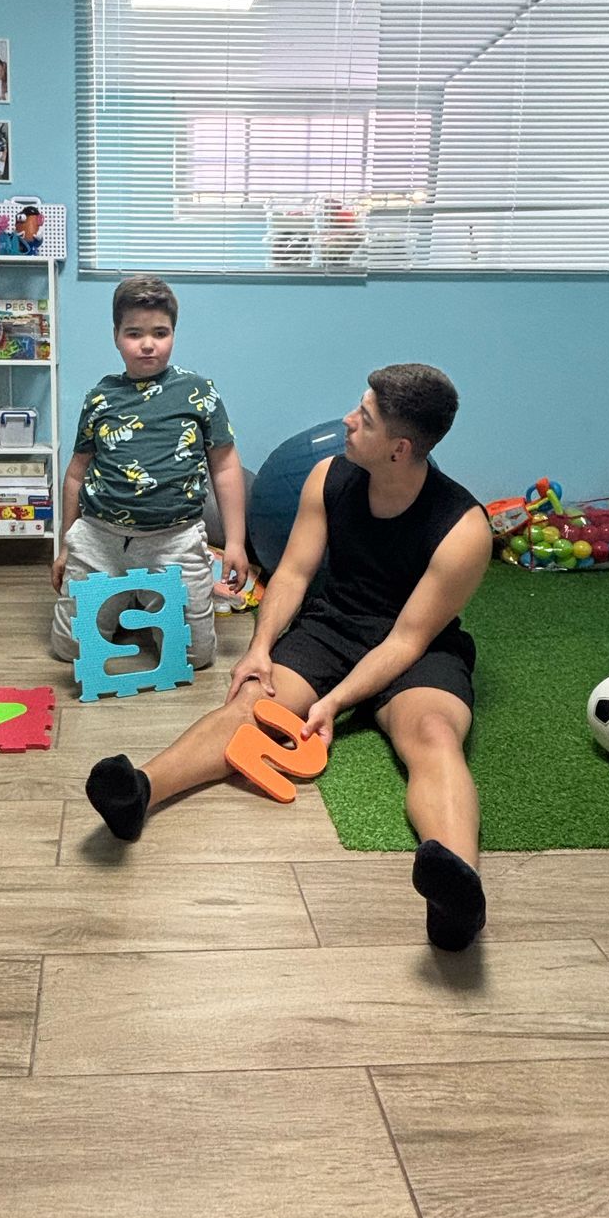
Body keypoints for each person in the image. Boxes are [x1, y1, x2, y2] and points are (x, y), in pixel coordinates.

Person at [83, 364, 493, 950]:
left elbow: (405, 640)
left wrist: (334, 702)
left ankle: (459, 892)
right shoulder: (328, 477)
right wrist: (259, 650)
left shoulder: (464, 528)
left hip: (417, 644)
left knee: (433, 734)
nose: (348, 422)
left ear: (399, 449)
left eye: (365, 418)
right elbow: (294, 573)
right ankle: (139, 792)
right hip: (333, 626)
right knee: (251, 704)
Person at [51, 274, 249, 672]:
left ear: (173, 333)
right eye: (134, 333)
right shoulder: (100, 397)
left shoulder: (198, 392)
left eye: (160, 332)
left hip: (174, 538)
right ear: (116, 336)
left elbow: (226, 467)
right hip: (99, 536)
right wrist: (65, 545)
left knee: (197, 657)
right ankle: (133, 596)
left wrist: (237, 544)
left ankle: (147, 594)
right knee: (70, 649)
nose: (147, 343)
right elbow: (76, 474)